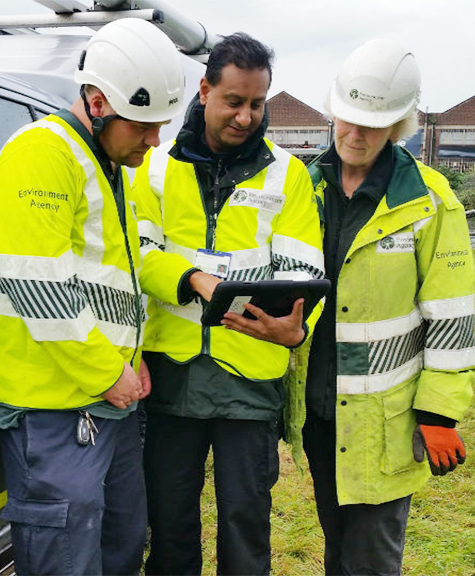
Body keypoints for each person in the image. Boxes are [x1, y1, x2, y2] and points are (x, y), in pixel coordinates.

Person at [0, 18, 185, 576]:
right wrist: (107, 372)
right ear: (96, 102)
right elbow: (39, 288)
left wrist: (129, 361)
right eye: (143, 126)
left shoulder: (107, 165)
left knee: (119, 544)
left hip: (99, 395)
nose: (154, 140)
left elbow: (114, 279)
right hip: (53, 406)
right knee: (65, 558)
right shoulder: (40, 155)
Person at [131, 32, 324, 575]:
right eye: (234, 101)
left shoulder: (289, 175)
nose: (246, 117)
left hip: (249, 375)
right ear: (204, 91)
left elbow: (305, 272)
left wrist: (295, 324)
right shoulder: (154, 168)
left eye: (257, 104)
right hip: (173, 374)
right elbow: (138, 255)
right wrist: (193, 278)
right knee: (169, 522)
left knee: (245, 522)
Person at [303, 39, 475, 575]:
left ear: (400, 125)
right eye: (347, 120)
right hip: (318, 408)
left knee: (373, 556)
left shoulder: (428, 202)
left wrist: (439, 413)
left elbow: (450, 317)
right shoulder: (302, 187)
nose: (355, 135)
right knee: (336, 541)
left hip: (387, 421)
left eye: (372, 125)